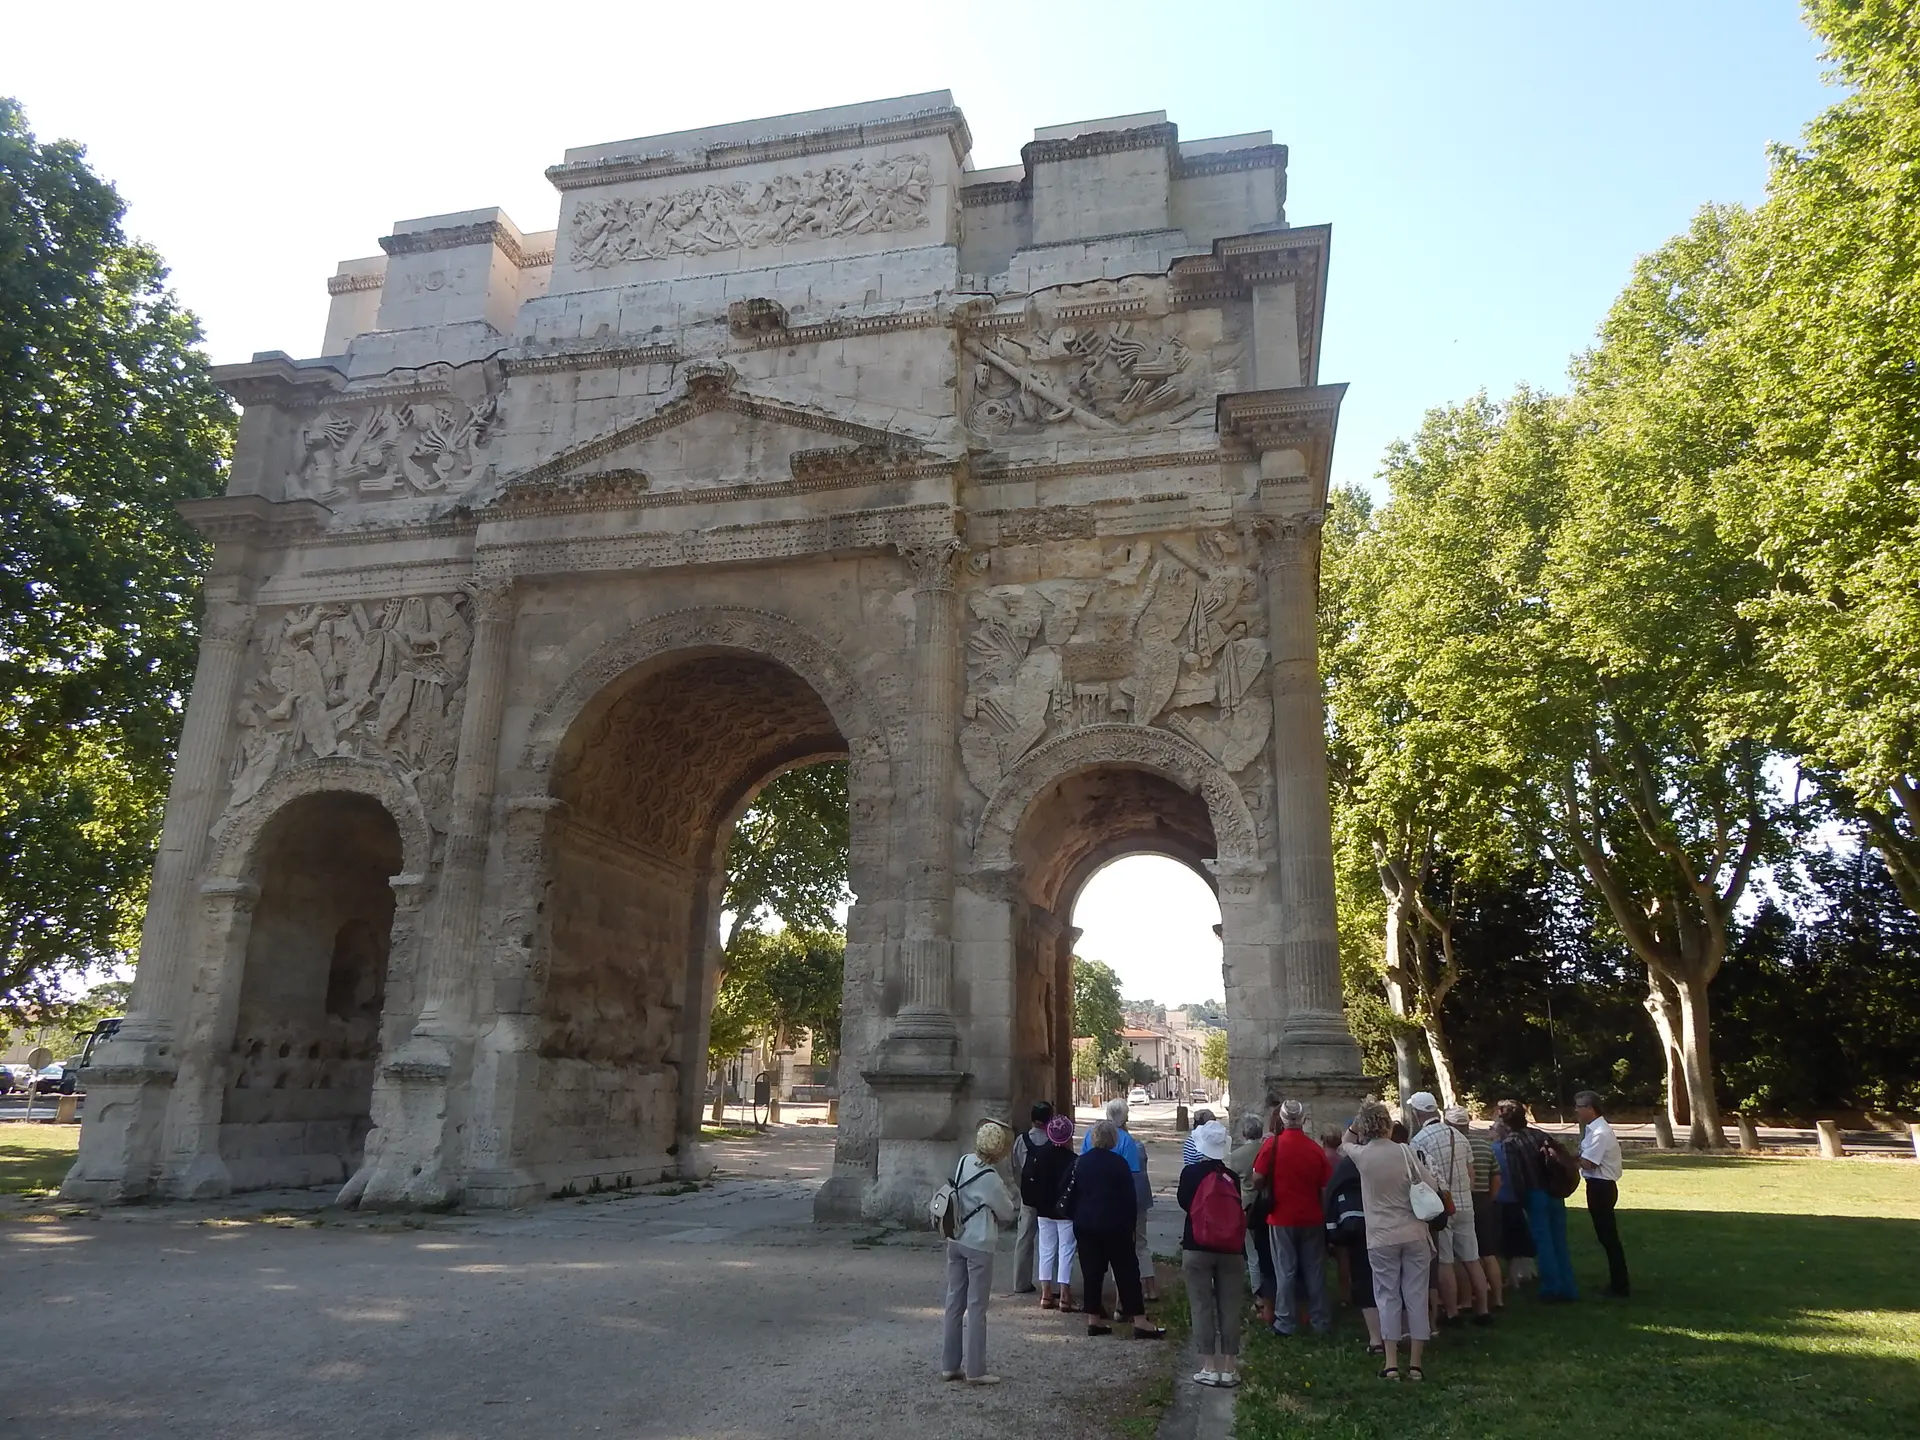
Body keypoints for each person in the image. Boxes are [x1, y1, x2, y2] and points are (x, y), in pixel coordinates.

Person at [1342, 1099, 1442, 1382]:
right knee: (1416, 1295)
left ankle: (1390, 1362)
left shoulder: (1362, 1155)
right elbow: (1431, 1186)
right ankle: (1416, 1364)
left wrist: (1355, 1124)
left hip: (1380, 1236)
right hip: (1413, 1232)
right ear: (1388, 1123)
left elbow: (1344, 1141)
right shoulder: (1406, 1152)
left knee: (1387, 1296)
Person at [1069, 1119, 1167, 1339]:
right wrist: (1131, 1225)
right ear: (1113, 1140)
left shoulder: (1081, 1163)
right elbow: (1128, 1199)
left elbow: (1073, 1194)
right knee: (1127, 1273)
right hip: (1115, 1225)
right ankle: (1139, 1320)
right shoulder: (1119, 1164)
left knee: (1092, 1273)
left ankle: (1093, 1319)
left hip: (1086, 1224)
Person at [940, 1120, 1019, 1384]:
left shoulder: (963, 1161)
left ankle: (949, 1365)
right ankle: (976, 1370)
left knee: (954, 1301)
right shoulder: (991, 1179)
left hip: (957, 1236)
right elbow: (1007, 1212)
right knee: (976, 1307)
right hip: (979, 1243)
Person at [1407, 1091, 1489, 1325]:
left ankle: (1452, 1312)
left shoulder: (1420, 1140)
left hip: (1441, 1206)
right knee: (1472, 1258)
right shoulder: (1459, 1136)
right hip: (1465, 1204)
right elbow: (1471, 1175)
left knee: (1445, 1261)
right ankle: (1483, 1309)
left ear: (1417, 1114)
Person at [1254, 1097, 1332, 1336]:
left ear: (1283, 1120)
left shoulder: (1272, 1146)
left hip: (1281, 1216)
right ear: (1304, 1120)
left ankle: (1285, 1321)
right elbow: (1324, 1186)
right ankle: (1320, 1321)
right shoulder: (1315, 1149)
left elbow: (1257, 1177)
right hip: (1312, 1216)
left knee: (1285, 1270)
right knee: (1315, 1270)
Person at [1177, 1120, 1245, 1387]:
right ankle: (1229, 1367)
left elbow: (1185, 1203)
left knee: (1201, 1305)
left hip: (1197, 1246)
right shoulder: (1232, 1177)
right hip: (1231, 1248)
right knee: (1229, 1307)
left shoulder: (1190, 1174)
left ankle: (1209, 1365)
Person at [1497, 1099, 1578, 1302]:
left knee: (1543, 1242)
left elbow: (1516, 1175)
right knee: (1559, 1240)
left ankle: (1551, 1288)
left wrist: (1520, 1199)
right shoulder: (1539, 1134)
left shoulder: (1510, 1143)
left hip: (1534, 1193)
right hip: (1554, 1190)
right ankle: (1568, 1287)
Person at [1082, 1097, 1156, 1300]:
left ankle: (1110, 1300)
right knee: (1134, 1245)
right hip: (1122, 1203)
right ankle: (1143, 1291)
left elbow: (1082, 1167)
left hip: (1095, 1202)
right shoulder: (1129, 1142)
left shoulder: (1091, 1135)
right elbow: (1133, 1176)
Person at [1323, 1132, 1383, 1354]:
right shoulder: (1398, 1155)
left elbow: (1333, 1190)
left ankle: (1376, 1338)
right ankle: (1397, 1333)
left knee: (1363, 1275)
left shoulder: (1353, 1160)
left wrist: (1331, 1224)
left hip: (1357, 1224)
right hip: (1385, 1223)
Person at [1575, 1089, 1629, 1298]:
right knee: (1606, 1236)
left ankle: (1620, 1285)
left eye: (1579, 1107)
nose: (1576, 1111)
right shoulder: (1593, 1129)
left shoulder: (1599, 1133)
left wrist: (1567, 1158)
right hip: (1599, 1185)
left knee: (1608, 1237)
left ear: (1590, 1108)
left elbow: (1589, 1162)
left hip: (1601, 1186)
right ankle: (1618, 1282)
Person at [1452, 1105, 1505, 1311]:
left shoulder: (1456, 1146)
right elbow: (1496, 1177)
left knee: (1464, 1254)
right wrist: (1490, 1198)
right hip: (1484, 1200)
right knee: (1488, 1253)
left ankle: (1467, 1299)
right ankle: (1498, 1298)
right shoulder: (1485, 1146)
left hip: (1464, 1199)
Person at [1229, 1114, 1277, 1323]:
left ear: (1244, 1132)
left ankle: (1259, 1294)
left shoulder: (1237, 1155)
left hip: (1248, 1206)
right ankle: (1274, 1291)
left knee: (1253, 1253)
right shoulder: (1268, 1149)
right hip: (1269, 1203)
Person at [1031, 1113, 1080, 1310]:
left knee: (1045, 1249)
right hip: (1066, 1210)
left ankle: (1045, 1293)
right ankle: (1065, 1296)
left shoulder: (1040, 1155)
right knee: (1066, 1250)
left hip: (1043, 1209)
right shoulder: (1073, 1159)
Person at [1009, 1101, 1054, 1295]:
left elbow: (1015, 1167)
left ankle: (1021, 1282)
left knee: (1024, 1239)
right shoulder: (1053, 1141)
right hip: (1049, 1197)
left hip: (1028, 1196)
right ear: (1049, 1119)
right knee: (1051, 1240)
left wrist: (1022, 1188)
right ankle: (1052, 1285)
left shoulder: (1022, 1140)